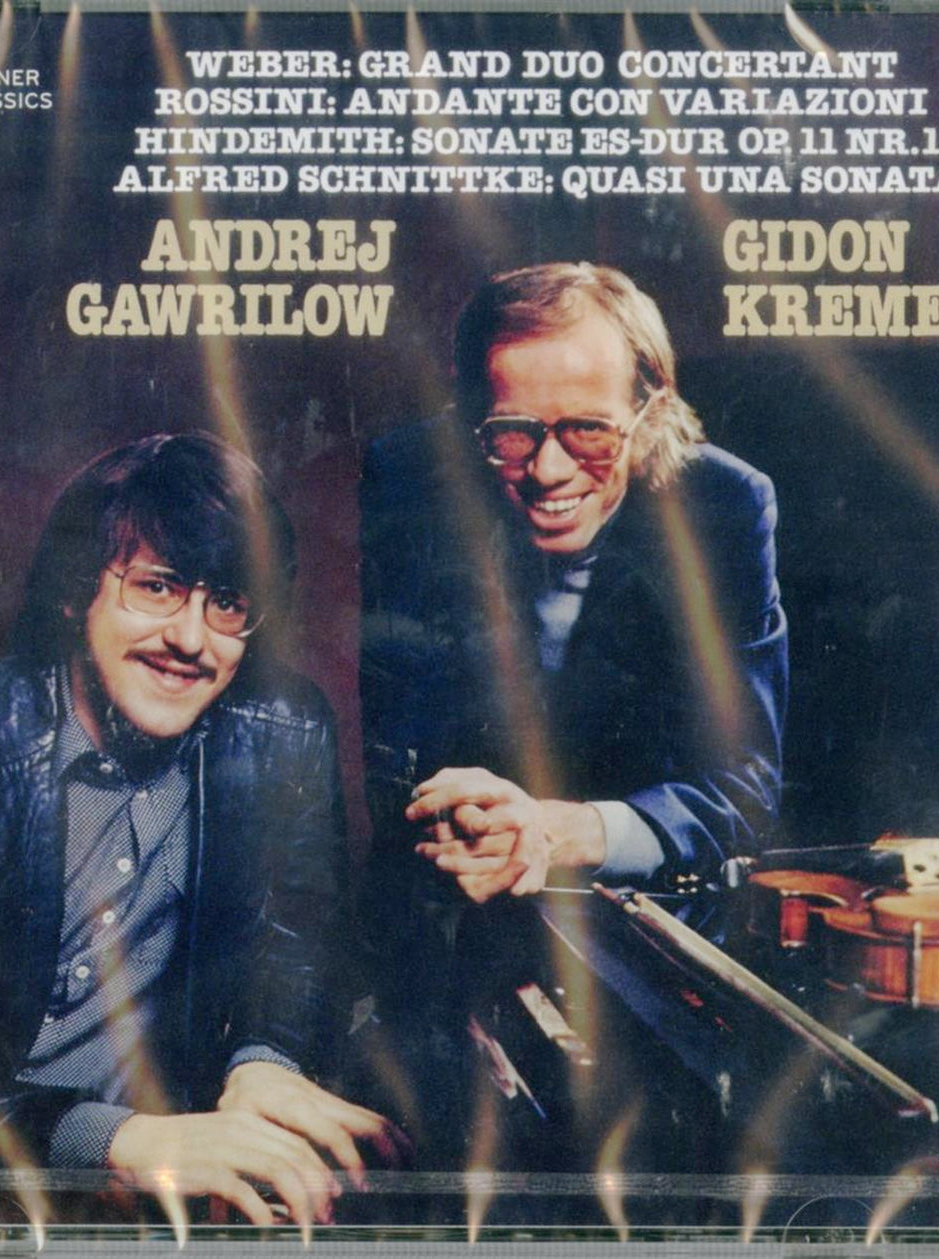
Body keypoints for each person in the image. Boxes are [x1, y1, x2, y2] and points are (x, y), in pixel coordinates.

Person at [357, 262, 788, 1170]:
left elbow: (742, 785)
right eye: (511, 433)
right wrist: (464, 819)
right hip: (448, 917)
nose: (546, 470)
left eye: (587, 430)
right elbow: (397, 745)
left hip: (646, 936)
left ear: (650, 412)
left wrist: (562, 831)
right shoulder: (409, 477)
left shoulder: (725, 504)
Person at [0, 433, 402, 1228]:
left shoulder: (284, 725)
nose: (191, 640)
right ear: (74, 592)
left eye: (226, 602)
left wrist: (263, 1060)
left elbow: (298, 939)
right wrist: (109, 1142)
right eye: (156, 587)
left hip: (176, 1192)